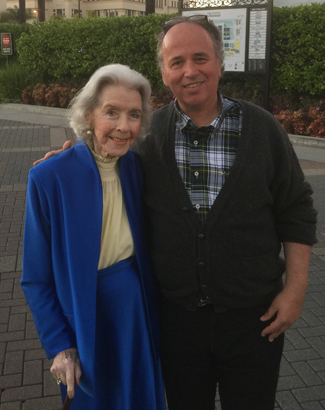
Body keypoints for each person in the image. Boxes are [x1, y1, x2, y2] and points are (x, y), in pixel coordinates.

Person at [33, 16, 317, 410]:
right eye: (176, 62)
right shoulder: (147, 138)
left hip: (254, 320)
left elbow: (296, 206)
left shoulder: (263, 128)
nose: (189, 71)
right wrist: (65, 163)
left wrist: (296, 290)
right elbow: (104, 153)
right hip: (176, 323)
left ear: (220, 61)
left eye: (200, 58)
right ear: (164, 73)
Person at [21, 64, 166, 410]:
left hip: (135, 312)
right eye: (111, 112)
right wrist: (59, 345)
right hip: (84, 315)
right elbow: (36, 279)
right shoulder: (48, 177)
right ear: (88, 114)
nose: (123, 126)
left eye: (133, 115)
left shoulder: (136, 167)